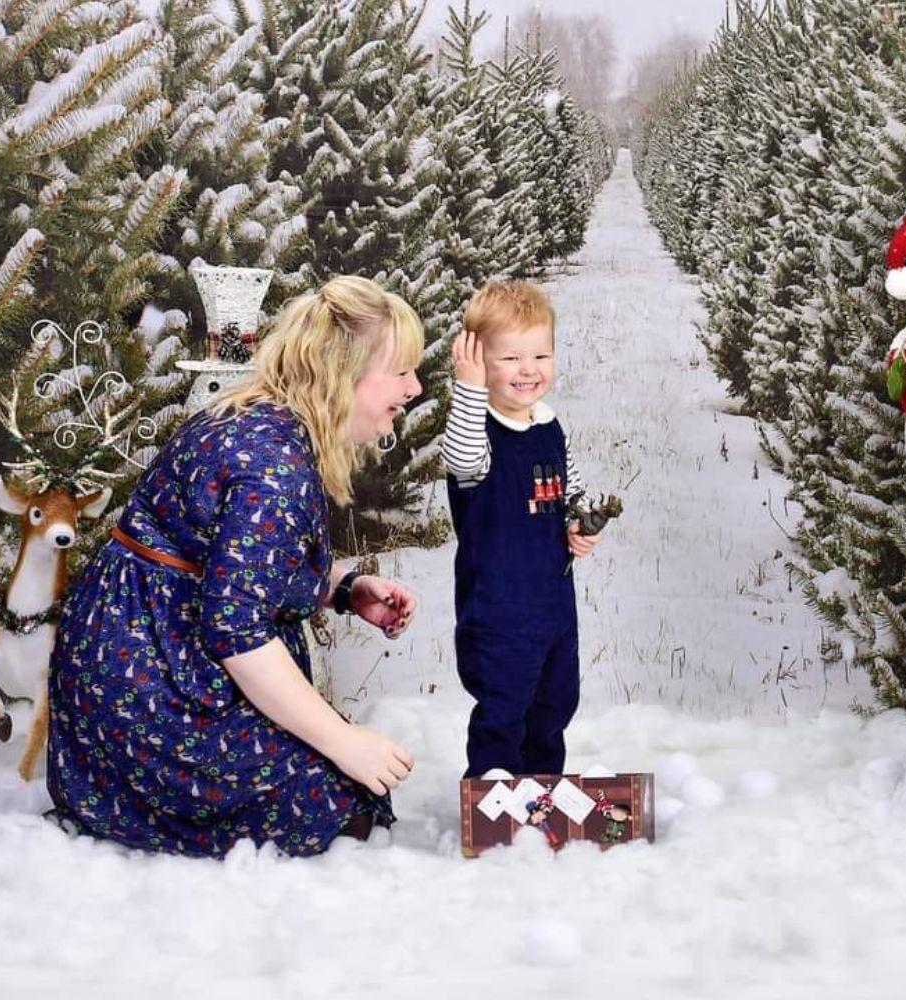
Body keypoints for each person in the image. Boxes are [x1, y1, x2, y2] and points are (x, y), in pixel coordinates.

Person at [47, 276, 424, 858]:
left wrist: (344, 588)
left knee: (342, 782)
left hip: (135, 644)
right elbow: (236, 631)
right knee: (343, 803)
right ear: (340, 373)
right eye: (399, 371)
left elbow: (235, 562)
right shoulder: (274, 467)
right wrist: (345, 741)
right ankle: (134, 794)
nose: (414, 387)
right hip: (146, 678)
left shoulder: (260, 417)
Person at [443, 281, 601, 777]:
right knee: (504, 705)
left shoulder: (550, 427)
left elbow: (570, 490)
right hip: (498, 609)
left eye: (540, 355)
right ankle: (492, 796)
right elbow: (462, 458)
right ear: (477, 359)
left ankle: (542, 792)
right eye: (510, 358)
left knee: (554, 703)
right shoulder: (478, 433)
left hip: (553, 604)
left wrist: (579, 525)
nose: (528, 369)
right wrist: (467, 389)